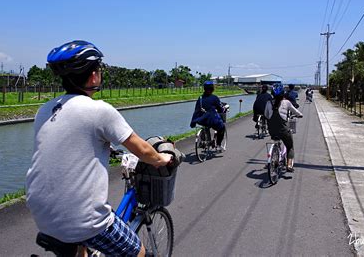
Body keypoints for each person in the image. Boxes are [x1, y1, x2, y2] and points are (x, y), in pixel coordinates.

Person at [25, 40, 171, 257]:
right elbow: (142, 149)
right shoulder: (99, 110)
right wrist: (162, 159)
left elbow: (68, 146)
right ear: (93, 75)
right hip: (84, 221)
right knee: (141, 254)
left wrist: (106, 148)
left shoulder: (45, 110)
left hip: (41, 213)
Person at [265, 83, 303, 172]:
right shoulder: (286, 102)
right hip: (283, 131)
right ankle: (289, 165)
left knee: (276, 139)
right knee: (290, 146)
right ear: (283, 93)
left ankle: (274, 156)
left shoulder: (268, 103)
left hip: (272, 131)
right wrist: (300, 115)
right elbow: (296, 112)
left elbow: (266, 115)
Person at [190, 81, 226, 151]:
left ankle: (204, 140)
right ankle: (218, 145)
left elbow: (196, 110)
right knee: (222, 127)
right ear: (212, 89)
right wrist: (223, 110)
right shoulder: (214, 98)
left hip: (201, 120)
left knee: (205, 126)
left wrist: (193, 121)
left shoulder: (200, 98)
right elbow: (220, 109)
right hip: (211, 120)